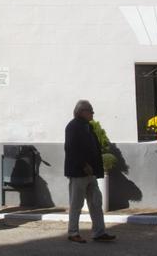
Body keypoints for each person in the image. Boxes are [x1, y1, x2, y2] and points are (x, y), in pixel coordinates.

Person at [64, 100, 116, 243]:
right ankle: (73, 232)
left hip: (91, 173)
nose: (93, 113)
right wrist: (83, 164)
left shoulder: (88, 126)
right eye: (90, 111)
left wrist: (95, 168)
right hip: (79, 172)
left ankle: (99, 232)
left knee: (96, 203)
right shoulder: (73, 126)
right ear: (82, 112)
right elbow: (71, 148)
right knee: (76, 204)